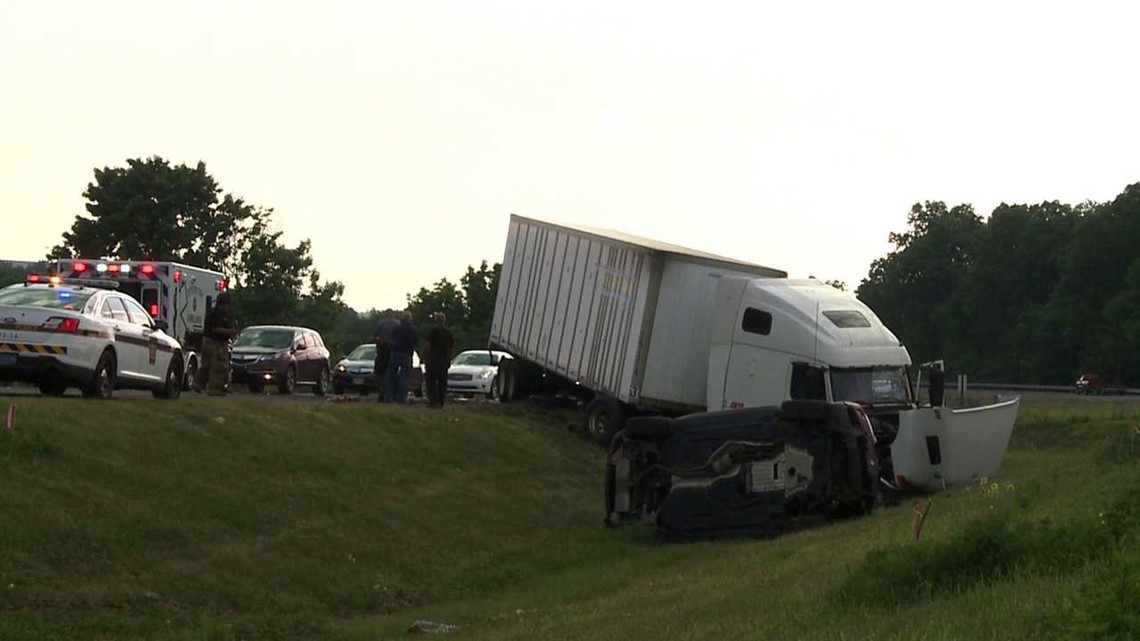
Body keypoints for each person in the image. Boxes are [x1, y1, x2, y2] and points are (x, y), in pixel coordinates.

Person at [193, 291, 238, 396]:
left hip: (211, 341)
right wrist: (231, 332)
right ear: (223, 304)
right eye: (227, 304)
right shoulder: (215, 314)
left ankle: (198, 383)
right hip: (213, 342)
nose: (228, 307)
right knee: (219, 365)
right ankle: (215, 388)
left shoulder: (220, 314)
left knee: (207, 365)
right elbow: (216, 329)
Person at [386, 312, 419, 405]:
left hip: (395, 352)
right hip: (406, 354)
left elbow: (392, 338)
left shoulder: (397, 328)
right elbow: (416, 343)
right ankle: (401, 398)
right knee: (404, 376)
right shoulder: (413, 329)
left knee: (391, 376)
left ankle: (389, 397)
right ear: (410, 319)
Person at [423, 312, 455, 408]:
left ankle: (433, 401)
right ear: (444, 321)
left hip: (433, 359)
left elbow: (428, 346)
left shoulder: (432, 331)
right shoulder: (448, 333)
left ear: (435, 321)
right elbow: (452, 348)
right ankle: (441, 402)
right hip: (443, 360)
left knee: (430, 381)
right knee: (442, 382)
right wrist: (449, 359)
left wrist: (426, 357)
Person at [373, 309, 400, 402]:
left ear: (385, 314)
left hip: (382, 350)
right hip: (393, 350)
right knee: (392, 373)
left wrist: (379, 342)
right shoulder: (397, 324)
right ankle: (392, 393)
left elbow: (376, 337)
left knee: (379, 372)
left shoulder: (381, 324)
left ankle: (382, 392)